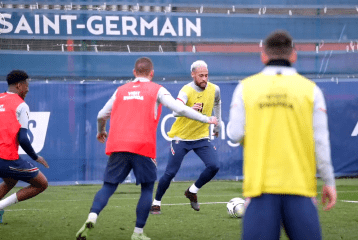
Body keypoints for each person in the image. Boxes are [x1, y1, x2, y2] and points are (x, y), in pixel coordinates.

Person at [76, 57, 218, 240]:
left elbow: (101, 115)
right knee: (146, 189)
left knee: (108, 187)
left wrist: (101, 131)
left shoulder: (121, 90)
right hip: (142, 146)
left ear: (134, 73)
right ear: (152, 74)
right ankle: (138, 233)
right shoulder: (156, 89)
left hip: (118, 144)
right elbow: (180, 109)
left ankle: (92, 217)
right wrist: (207, 119)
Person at [227, 31, 337, 240]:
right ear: (293, 56)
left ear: (263, 56)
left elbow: (235, 134)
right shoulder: (311, 90)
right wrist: (329, 182)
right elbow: (320, 142)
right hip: (300, 188)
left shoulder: (245, 88)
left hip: (260, 189)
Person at [150, 60, 221, 214]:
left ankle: (192, 191)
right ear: (193, 75)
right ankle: (156, 202)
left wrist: (217, 124)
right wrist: (188, 108)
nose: (204, 79)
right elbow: (175, 112)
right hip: (181, 138)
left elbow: (217, 103)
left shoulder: (214, 89)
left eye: (206, 75)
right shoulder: (186, 90)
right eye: (201, 75)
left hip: (201, 137)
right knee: (170, 173)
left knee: (214, 166)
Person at [0, 70, 49, 223]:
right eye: (27, 85)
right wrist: (36, 157)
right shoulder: (21, 105)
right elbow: (23, 139)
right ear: (19, 85)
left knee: (11, 180)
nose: (28, 89)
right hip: (6, 157)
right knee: (42, 184)